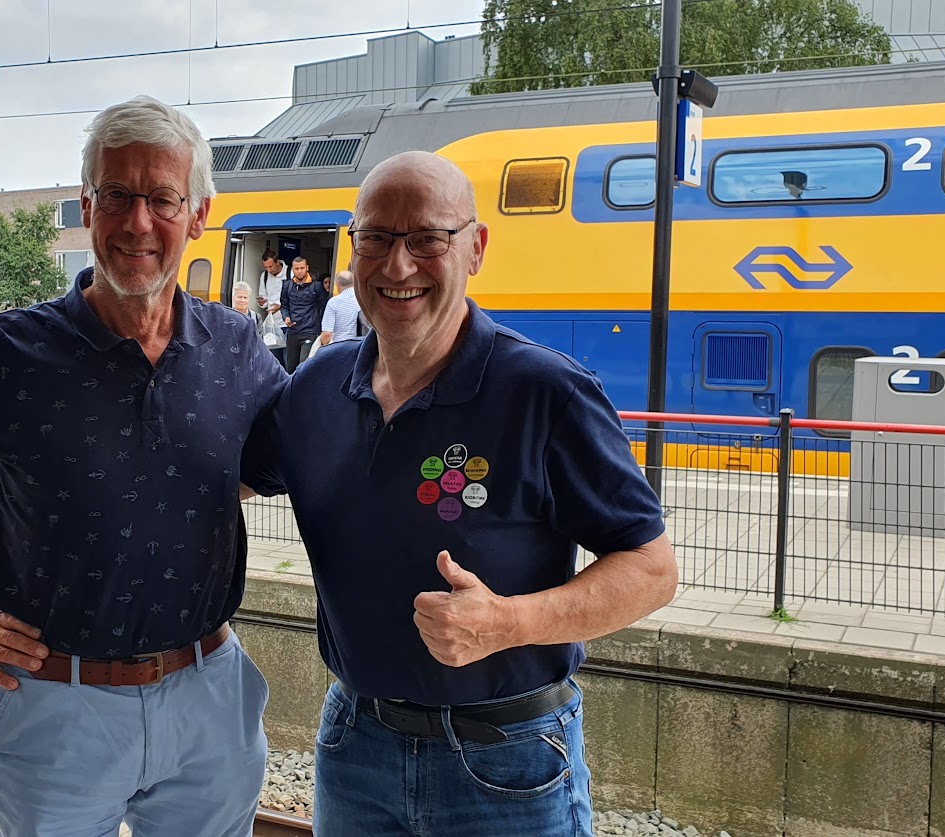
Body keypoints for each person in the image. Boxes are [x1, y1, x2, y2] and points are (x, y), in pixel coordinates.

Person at [0, 95, 283, 837]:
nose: (138, 222)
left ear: (198, 214)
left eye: (163, 199)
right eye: (116, 195)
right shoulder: (8, 354)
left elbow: (285, 459)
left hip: (210, 702)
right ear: (87, 205)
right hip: (57, 707)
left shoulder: (237, 348)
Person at [242, 151, 676, 836]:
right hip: (355, 745)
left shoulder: (546, 392)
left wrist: (509, 622)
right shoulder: (314, 388)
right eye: (376, 238)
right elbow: (217, 480)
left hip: (508, 759)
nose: (398, 265)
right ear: (353, 249)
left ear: (476, 248)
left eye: (427, 239)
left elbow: (652, 570)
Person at [278, 255, 329, 371]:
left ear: (307, 268)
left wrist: (322, 328)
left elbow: (323, 308)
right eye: (297, 269)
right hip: (293, 332)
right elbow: (284, 305)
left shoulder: (317, 286)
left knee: (304, 366)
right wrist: (286, 317)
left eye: (302, 268)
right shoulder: (287, 285)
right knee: (290, 368)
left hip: (310, 331)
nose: (299, 271)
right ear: (292, 269)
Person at [316, 269, 363, 346]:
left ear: (338, 285)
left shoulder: (334, 302)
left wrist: (322, 345)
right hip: (360, 345)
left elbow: (327, 334)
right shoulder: (362, 300)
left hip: (339, 346)